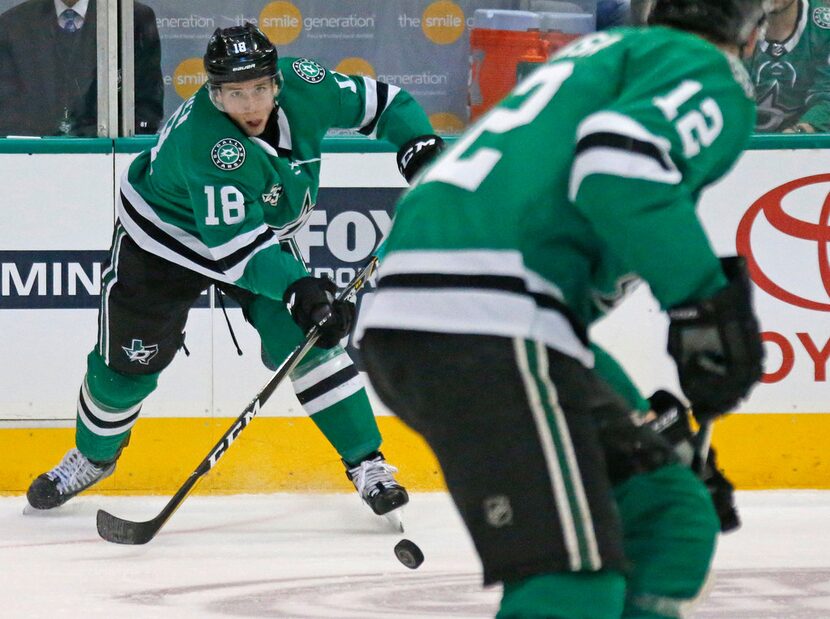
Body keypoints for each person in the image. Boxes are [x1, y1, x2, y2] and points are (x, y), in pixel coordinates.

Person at [358, 0, 767, 616]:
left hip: (466, 316)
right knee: (573, 580)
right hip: (483, 318)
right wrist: (707, 308)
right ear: (752, 32)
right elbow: (619, 166)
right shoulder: (703, 67)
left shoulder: (603, 58)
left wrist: (633, 413)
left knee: (669, 511)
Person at [25, 23, 444, 520]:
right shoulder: (205, 142)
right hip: (165, 241)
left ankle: (367, 465)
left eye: (260, 89)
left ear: (277, 83)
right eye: (235, 94)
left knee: (309, 340)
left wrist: (417, 144)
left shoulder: (308, 86)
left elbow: (387, 103)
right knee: (125, 370)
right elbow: (239, 255)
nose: (251, 105)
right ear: (213, 93)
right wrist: (299, 288)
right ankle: (93, 457)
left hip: (255, 231)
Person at [0, 0, 163, 136]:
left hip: (107, 158)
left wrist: (92, 137)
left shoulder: (132, 18)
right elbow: (7, 111)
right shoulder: (13, 25)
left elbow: (147, 107)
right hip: (29, 161)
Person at [748, 0, 830, 133]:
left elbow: (827, 95)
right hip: (735, 143)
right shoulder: (726, 23)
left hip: (807, 148)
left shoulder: (824, 28)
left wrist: (798, 133)